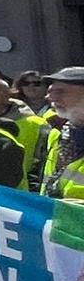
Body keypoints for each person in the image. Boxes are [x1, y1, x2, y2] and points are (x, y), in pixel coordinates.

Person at [42, 67, 84, 199]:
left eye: (60, 92)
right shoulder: (57, 133)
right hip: (57, 216)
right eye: (50, 91)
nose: (49, 97)